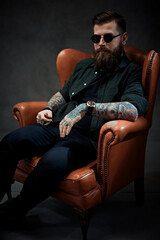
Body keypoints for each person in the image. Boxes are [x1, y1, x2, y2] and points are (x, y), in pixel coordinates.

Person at [0, 10, 148, 221]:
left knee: (51, 164)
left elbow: (133, 110)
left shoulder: (131, 72)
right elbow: (62, 94)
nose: (101, 43)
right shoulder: (84, 66)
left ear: (123, 38)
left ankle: (12, 213)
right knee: (10, 141)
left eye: (108, 37)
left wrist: (87, 108)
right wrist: (48, 109)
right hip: (56, 126)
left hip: (84, 140)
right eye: (96, 38)